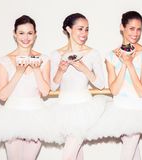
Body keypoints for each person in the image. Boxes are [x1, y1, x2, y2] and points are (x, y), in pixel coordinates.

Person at [86, 11, 142, 160]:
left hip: (138, 110)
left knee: (128, 152)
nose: (135, 33)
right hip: (119, 109)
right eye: (131, 28)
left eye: (139, 29)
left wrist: (130, 64)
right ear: (122, 27)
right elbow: (114, 89)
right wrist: (123, 65)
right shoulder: (111, 55)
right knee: (133, 153)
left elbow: (141, 92)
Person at [0, 15, 50, 160]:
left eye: (30, 33)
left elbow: (45, 91)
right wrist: (18, 72)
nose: (26, 37)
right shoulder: (4, 61)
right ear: (14, 34)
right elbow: (3, 96)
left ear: (35, 34)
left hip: (37, 114)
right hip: (12, 114)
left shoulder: (44, 59)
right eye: (21, 33)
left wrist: (36, 69)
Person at [48, 13, 105, 160]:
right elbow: (53, 86)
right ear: (68, 29)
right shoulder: (56, 54)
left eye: (86, 29)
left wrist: (83, 68)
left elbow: (100, 84)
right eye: (80, 29)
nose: (84, 33)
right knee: (76, 154)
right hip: (63, 108)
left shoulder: (92, 53)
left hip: (84, 108)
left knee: (68, 155)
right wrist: (61, 70)